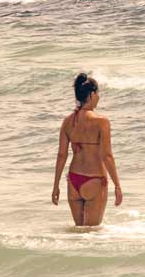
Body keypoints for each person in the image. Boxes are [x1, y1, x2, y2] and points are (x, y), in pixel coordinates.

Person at [52, 73, 123, 226]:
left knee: (80, 234)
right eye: (98, 93)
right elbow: (107, 156)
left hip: (73, 181)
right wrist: (117, 185)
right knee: (91, 234)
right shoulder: (101, 122)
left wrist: (56, 185)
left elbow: (61, 155)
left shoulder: (67, 122)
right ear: (91, 94)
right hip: (94, 180)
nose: (99, 97)